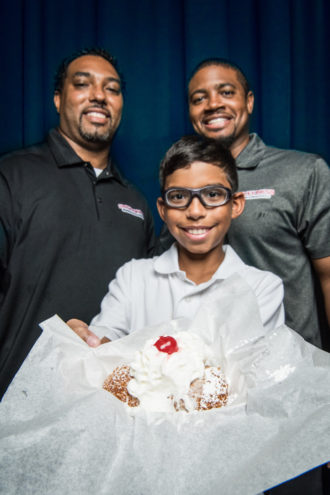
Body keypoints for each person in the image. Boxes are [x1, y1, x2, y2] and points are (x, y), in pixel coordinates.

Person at [184, 58, 330, 495]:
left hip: (290, 393)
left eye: (226, 92)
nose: (213, 104)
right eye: (199, 97)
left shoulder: (302, 172)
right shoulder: (183, 180)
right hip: (211, 399)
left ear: (248, 101)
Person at [0, 48, 155, 399]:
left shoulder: (137, 204)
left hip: (109, 413)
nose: (99, 96)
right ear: (58, 99)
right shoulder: (11, 176)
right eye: (83, 84)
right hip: (15, 406)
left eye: (112, 89)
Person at [67, 135, 284, 346]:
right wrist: (87, 340)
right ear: (163, 209)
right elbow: (106, 339)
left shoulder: (262, 288)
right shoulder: (133, 277)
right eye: (179, 197)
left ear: (235, 205)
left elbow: (251, 372)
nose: (195, 211)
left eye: (213, 195)